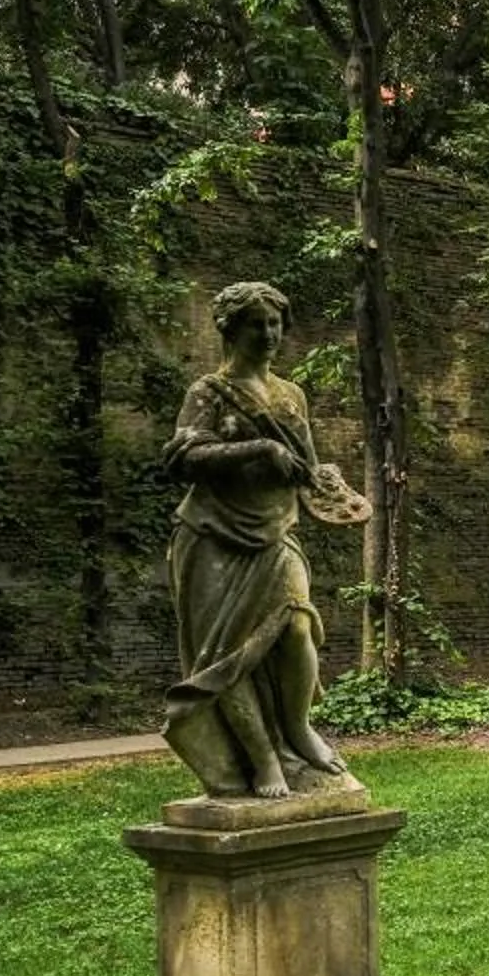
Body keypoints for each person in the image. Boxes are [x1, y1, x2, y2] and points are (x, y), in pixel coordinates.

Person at [159, 281, 366, 797]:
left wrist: (326, 485)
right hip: (213, 537)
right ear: (232, 329)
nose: (270, 333)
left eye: (276, 323)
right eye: (258, 324)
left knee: (297, 627)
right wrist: (256, 450)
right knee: (230, 656)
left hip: (276, 531)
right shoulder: (207, 392)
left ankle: (297, 728)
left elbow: (308, 467)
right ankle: (262, 761)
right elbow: (181, 459)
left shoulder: (290, 394)